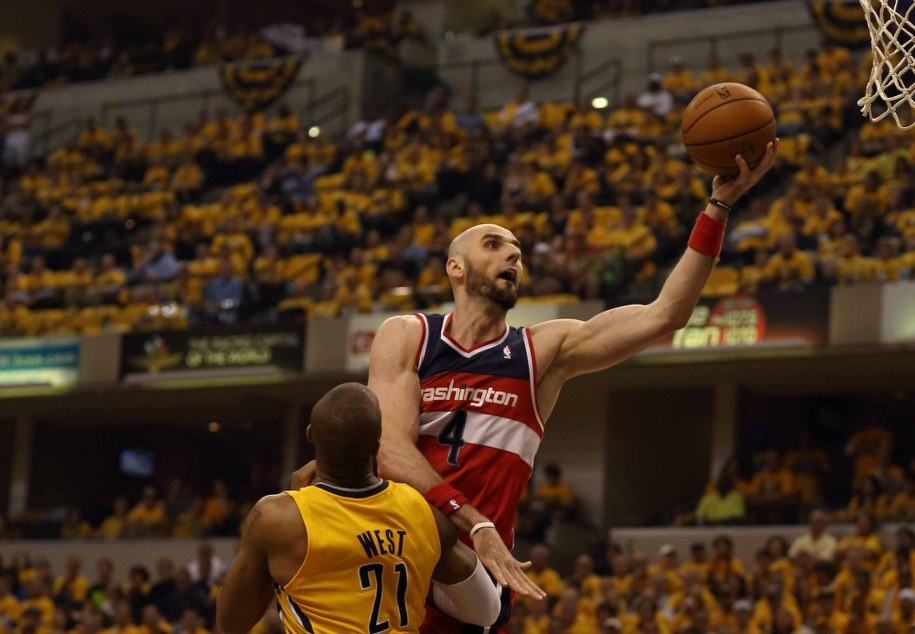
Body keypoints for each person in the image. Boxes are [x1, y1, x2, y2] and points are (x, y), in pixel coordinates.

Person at [294, 142, 778, 632]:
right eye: (494, 246)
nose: (512, 256)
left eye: (517, 252)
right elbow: (391, 448)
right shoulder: (410, 335)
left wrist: (717, 208)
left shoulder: (543, 350)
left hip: (475, 572)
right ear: (455, 268)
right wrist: (471, 519)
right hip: (403, 554)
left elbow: (665, 315)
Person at [217, 383, 501, 634]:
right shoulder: (420, 509)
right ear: (377, 444)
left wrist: (294, 500)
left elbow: (231, 623)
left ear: (311, 434)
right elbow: (486, 610)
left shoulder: (278, 518)